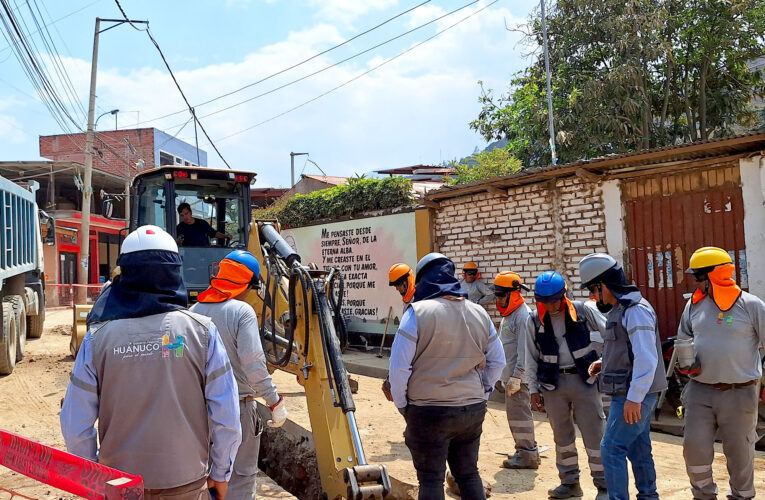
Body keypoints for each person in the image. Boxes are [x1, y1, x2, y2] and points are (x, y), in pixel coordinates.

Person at [61, 225, 241, 500]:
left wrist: (95, 476)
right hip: (187, 484)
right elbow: (226, 416)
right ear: (174, 271)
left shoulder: (97, 339)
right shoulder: (203, 332)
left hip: (118, 485)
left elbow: (75, 426)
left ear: (126, 272)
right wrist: (221, 472)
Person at [389, 252, 504, 500]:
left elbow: (398, 370)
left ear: (422, 280)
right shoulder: (479, 313)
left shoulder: (416, 313)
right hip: (471, 411)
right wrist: (482, 392)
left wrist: (403, 405)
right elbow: (498, 362)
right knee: (469, 475)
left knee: (431, 480)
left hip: (428, 412)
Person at [190, 250, 288, 499]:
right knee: (241, 479)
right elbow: (253, 364)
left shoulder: (193, 311)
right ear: (246, 284)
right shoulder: (241, 312)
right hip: (238, 409)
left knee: (203, 479)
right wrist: (274, 399)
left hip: (198, 412)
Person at [675, 247, 765, 500]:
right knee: (694, 449)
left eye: (699, 277)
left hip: (740, 392)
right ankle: (703, 495)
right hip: (699, 391)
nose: (696, 283)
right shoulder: (693, 305)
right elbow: (684, 338)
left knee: (739, 453)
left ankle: (742, 496)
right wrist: (686, 363)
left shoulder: (750, 305)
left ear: (716, 275)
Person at [579, 253, 667, 500]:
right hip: (630, 392)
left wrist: (635, 398)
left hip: (633, 394)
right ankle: (648, 496)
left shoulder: (636, 310)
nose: (593, 297)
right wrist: (603, 363)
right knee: (639, 449)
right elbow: (624, 349)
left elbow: (646, 358)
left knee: (611, 449)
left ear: (604, 284)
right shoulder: (620, 309)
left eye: (594, 291)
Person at [525, 271, 607, 500]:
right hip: (553, 385)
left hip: (585, 381)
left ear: (564, 295)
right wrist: (533, 390)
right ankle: (570, 482)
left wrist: (603, 361)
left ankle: (604, 486)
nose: (550, 306)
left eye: (553, 301)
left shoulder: (584, 311)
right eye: (544, 302)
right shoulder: (533, 320)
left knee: (594, 435)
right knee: (562, 437)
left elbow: (610, 334)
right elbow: (529, 357)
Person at [493, 271, 539, 470]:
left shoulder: (523, 316)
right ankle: (524, 450)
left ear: (515, 292)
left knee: (520, 417)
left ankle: (528, 455)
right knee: (515, 416)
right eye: (498, 295)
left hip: (519, 379)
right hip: (510, 377)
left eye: (503, 295)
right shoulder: (510, 315)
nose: (500, 299)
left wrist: (516, 377)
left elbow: (525, 351)